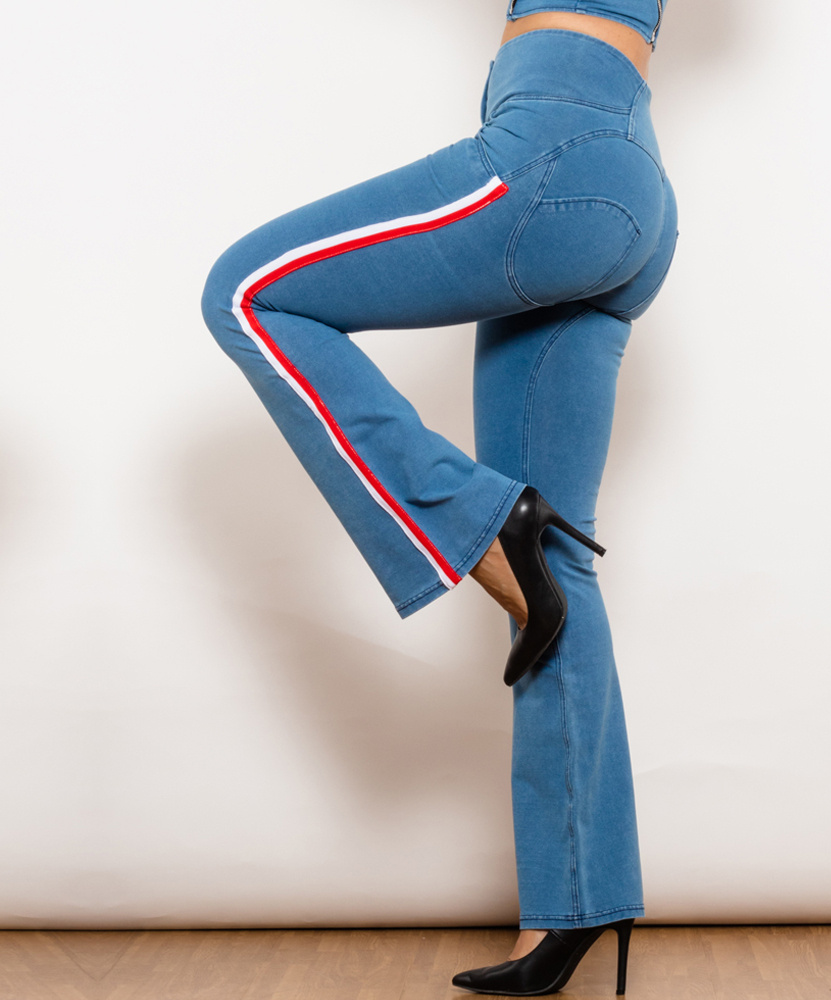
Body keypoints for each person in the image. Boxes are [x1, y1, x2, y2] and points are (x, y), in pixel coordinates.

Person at [201, 1, 677, 994]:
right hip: (623, 171)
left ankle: (475, 520)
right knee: (554, 569)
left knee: (250, 290)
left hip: (555, 150)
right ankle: (573, 903)